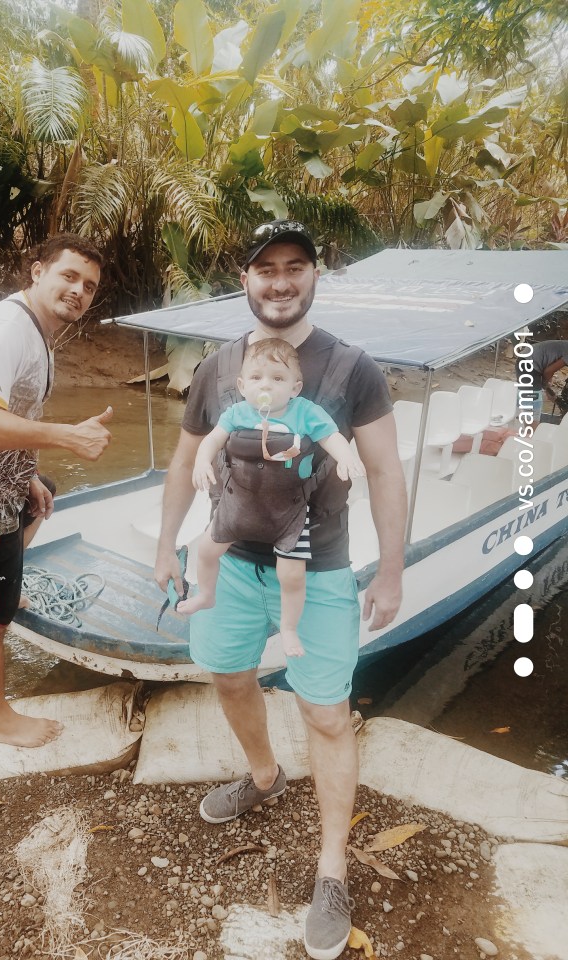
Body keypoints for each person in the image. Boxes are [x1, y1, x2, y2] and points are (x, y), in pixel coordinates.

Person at [154, 219, 406, 960]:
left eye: (295, 266)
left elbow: (385, 469)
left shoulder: (352, 368)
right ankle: (264, 775)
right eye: (266, 268)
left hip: (318, 569)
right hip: (229, 565)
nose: (280, 280)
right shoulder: (219, 367)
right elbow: (182, 462)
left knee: (325, 716)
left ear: (315, 275)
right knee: (229, 676)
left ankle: (331, 870)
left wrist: (389, 569)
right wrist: (169, 549)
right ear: (245, 280)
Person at [0, 234, 113, 749]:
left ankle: (2, 583)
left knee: (46, 490)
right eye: (68, 276)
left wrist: (27, 474)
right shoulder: (8, 330)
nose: (78, 290)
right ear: (37, 272)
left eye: (89, 285)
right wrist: (66, 435)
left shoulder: (33, 329)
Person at [177, 337, 365, 659]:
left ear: (295, 387)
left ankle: (289, 627)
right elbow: (211, 440)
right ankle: (207, 594)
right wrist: (200, 461)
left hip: (287, 515)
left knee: (291, 575)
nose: (267, 385)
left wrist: (345, 456)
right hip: (237, 510)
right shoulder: (237, 413)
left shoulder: (305, 412)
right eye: (256, 377)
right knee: (207, 551)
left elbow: (331, 436)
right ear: (242, 385)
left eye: (278, 378)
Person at [516, 340, 568, 421]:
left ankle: (526, 424)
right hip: (529, 362)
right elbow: (548, 372)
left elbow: (550, 365)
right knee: (533, 404)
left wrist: (547, 388)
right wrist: (546, 387)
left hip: (530, 359)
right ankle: (530, 431)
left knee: (531, 402)